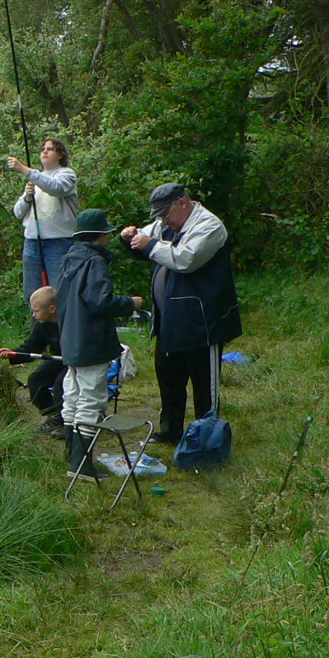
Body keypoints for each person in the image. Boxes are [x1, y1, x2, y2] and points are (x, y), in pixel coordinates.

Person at [119, 183, 242, 444]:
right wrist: (129, 238)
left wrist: (150, 245)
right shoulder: (168, 223)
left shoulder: (209, 226)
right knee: (169, 378)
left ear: (182, 203)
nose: (163, 219)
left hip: (202, 321)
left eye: (165, 213)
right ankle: (170, 432)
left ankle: (207, 436)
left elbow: (185, 259)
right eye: (159, 215)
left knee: (204, 385)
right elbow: (146, 239)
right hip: (170, 319)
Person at [55, 209, 144, 479]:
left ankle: (72, 457)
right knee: (91, 400)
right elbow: (101, 302)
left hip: (70, 340)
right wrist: (131, 303)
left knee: (73, 398)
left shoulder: (68, 259)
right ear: (102, 235)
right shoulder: (94, 262)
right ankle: (81, 466)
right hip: (90, 340)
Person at [7, 138, 78, 298]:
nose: (45, 151)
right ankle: (38, 323)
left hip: (59, 243)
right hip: (32, 243)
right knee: (34, 296)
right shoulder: (35, 179)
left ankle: (60, 324)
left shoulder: (67, 174)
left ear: (60, 155)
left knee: (59, 293)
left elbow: (55, 187)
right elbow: (18, 213)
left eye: (50, 149)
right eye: (43, 149)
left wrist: (25, 170)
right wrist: (27, 198)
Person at [0, 285, 67, 437]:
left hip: (76, 362)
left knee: (61, 384)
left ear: (52, 308)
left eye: (36, 311)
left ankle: (66, 422)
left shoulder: (70, 321)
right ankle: (54, 416)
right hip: (56, 360)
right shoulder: (41, 325)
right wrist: (12, 354)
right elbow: (31, 348)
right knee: (35, 380)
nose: (33, 315)